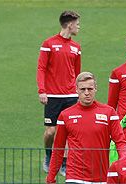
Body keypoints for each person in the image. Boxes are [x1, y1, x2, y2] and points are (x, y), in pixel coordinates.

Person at [37, 10, 81, 174]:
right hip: (53, 96)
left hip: (71, 95)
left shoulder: (76, 48)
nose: (79, 27)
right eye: (77, 24)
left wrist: (78, 93)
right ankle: (49, 156)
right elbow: (41, 68)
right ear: (69, 24)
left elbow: (77, 72)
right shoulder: (48, 44)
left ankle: (63, 162)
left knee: (69, 132)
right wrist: (42, 90)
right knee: (51, 132)